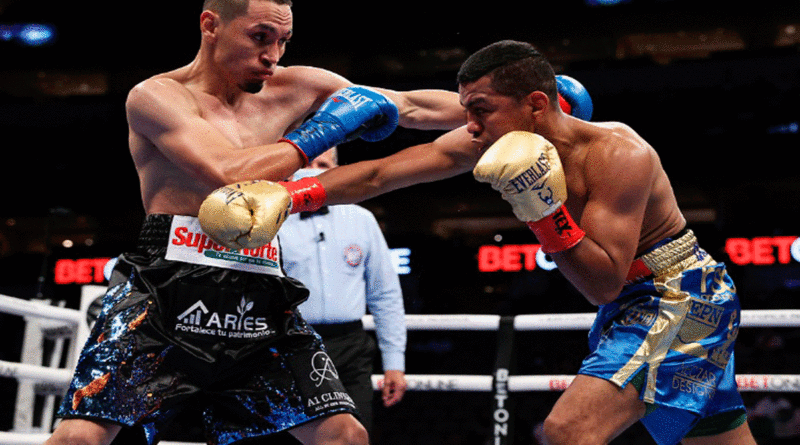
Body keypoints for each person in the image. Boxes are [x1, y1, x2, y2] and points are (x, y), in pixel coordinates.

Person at [201, 40, 757, 445]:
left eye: (481, 110)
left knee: (569, 430)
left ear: (537, 104)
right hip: (638, 302)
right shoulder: (489, 139)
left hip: (679, 298)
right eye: (465, 108)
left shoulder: (618, 156)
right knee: (718, 435)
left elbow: (601, 282)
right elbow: (383, 174)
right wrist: (288, 196)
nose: (468, 126)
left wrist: (543, 209)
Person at [45, 1, 467, 445]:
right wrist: (321, 132)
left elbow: (410, 106)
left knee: (344, 435)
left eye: (283, 41)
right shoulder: (157, 97)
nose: (273, 55)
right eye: (260, 37)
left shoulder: (299, 86)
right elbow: (228, 174)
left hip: (257, 286)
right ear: (211, 25)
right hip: (167, 285)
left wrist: (516, 107)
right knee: (82, 438)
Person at [279, 147, 407, 437]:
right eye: (305, 162)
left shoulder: (361, 219)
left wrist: (394, 363)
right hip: (291, 346)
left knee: (356, 436)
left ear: (338, 170)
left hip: (351, 349)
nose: (312, 170)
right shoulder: (271, 222)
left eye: (322, 163)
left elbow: (385, 295)